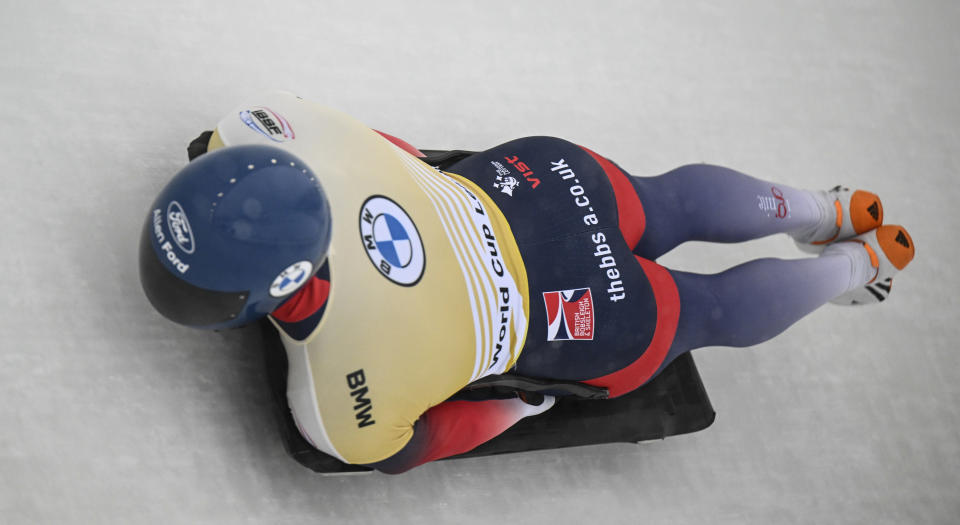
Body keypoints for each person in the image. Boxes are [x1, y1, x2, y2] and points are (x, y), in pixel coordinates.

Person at [139, 92, 915, 474]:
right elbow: (402, 151)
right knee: (666, 200)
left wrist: (522, 400)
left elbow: (431, 438)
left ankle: (856, 268)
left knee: (702, 310)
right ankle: (831, 209)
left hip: (580, 314)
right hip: (538, 181)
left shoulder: (339, 407)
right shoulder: (261, 124)